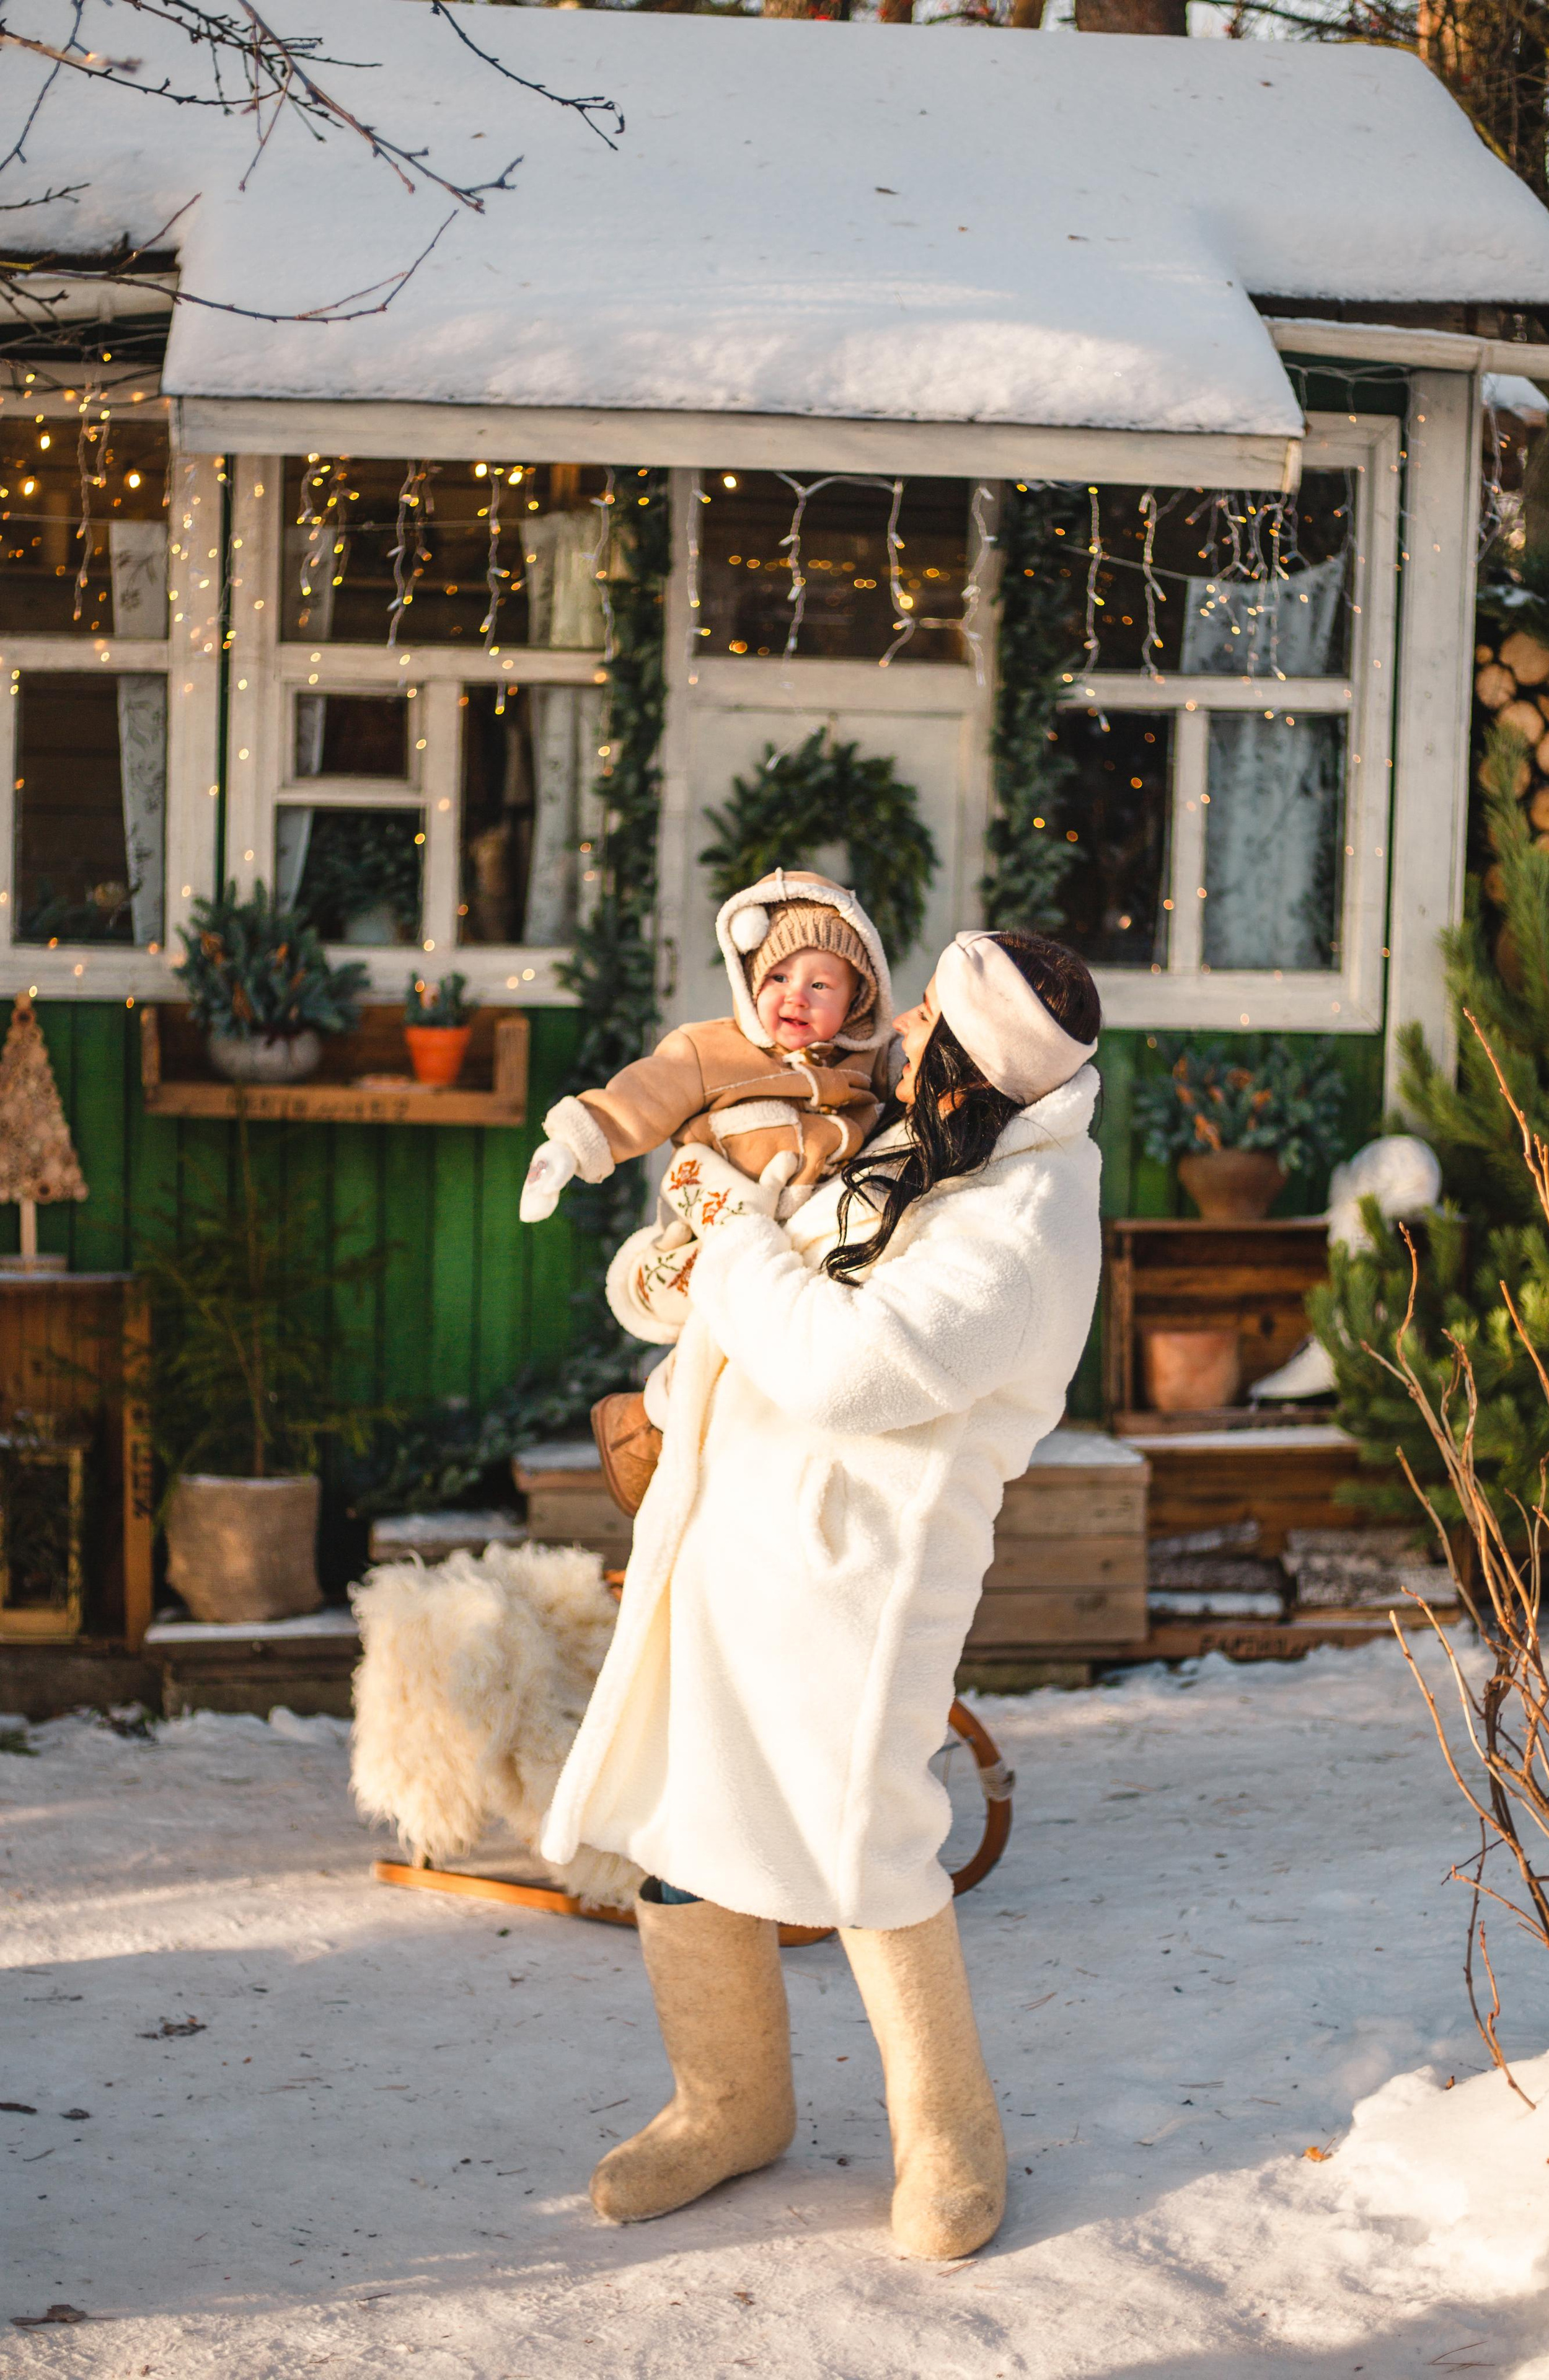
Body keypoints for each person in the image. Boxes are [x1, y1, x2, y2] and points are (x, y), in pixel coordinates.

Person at [539, 928, 1104, 2262]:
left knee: (863, 1837)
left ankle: (950, 2131)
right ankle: (726, 2102)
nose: (893, 1027)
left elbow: (856, 1365)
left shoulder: (1025, 1216)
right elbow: (742, 1277)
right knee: (685, 1810)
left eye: (921, 1017)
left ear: (969, 1058)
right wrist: (671, 1266)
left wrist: (735, 1243)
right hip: (730, 1536)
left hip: (860, 1572)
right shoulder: (909, 1151)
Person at [517, 868, 894, 1228]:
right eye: (779, 977)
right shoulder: (712, 1051)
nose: (796, 998)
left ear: (856, 1000)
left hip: (824, 1225)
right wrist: (569, 1148)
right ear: (752, 985)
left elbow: (922, 1081)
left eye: (820, 986)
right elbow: (641, 1099)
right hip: (719, 1220)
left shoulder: (870, 1060)